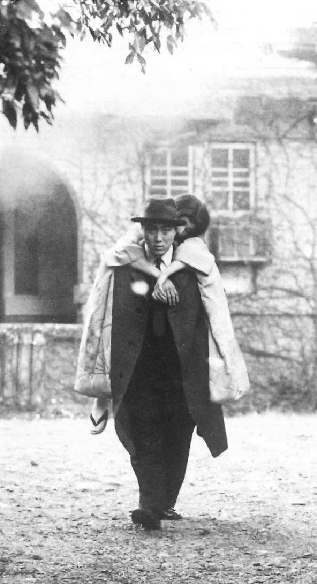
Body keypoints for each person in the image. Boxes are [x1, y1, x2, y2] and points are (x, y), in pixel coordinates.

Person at [74, 198, 228, 530]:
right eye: (152, 230)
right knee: (140, 428)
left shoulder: (194, 266)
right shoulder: (127, 263)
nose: (158, 238)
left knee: (178, 431)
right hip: (139, 363)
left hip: (180, 367)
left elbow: (213, 315)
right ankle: (149, 503)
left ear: (177, 232)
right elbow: (103, 315)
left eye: (165, 230)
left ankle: (162, 502)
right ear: (142, 230)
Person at [82, 194, 249, 435]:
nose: (180, 232)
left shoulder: (191, 242)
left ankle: (207, 407)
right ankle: (101, 396)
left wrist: (166, 274)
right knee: (109, 325)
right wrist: (156, 273)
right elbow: (118, 253)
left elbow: (196, 257)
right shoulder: (146, 232)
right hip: (136, 309)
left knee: (213, 330)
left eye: (184, 228)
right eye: (179, 223)